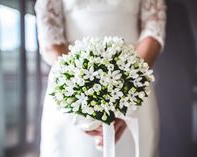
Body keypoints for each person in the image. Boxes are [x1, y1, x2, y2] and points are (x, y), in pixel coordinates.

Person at [35, 0, 166, 157]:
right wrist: (78, 90)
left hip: (131, 85)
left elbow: (153, 30)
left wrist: (126, 93)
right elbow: (49, 34)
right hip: (72, 86)